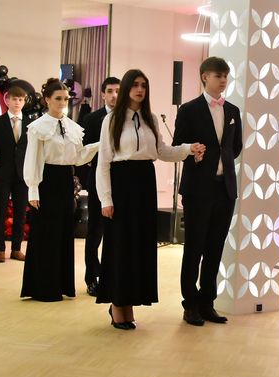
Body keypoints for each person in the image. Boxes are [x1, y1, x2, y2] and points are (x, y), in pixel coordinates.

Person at [96, 69, 205, 330]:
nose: (139, 90)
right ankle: (118, 304)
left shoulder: (151, 119)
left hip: (145, 183)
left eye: (143, 85)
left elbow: (162, 152)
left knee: (139, 246)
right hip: (121, 184)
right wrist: (106, 199)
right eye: (135, 85)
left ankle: (129, 303)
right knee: (121, 245)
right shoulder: (112, 119)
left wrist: (188, 149)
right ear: (126, 88)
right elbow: (104, 162)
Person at [172, 56, 243, 326]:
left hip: (225, 189)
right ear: (204, 77)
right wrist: (195, 153)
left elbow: (235, 147)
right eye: (218, 75)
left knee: (215, 248)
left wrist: (221, 162)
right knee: (194, 247)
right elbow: (179, 145)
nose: (223, 80)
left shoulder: (232, 110)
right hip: (197, 189)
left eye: (225, 75)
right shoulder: (189, 110)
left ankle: (207, 302)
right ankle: (190, 304)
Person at [21, 78, 99, 302]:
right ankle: (43, 287)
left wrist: (99, 145)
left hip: (65, 182)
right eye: (58, 98)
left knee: (64, 232)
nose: (63, 102)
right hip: (46, 182)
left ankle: (62, 284)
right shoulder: (38, 127)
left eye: (65, 99)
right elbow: (33, 159)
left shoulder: (72, 126)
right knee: (46, 233)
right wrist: (33, 189)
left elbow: (78, 157)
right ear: (47, 99)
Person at [82, 76, 120, 296]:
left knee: (116, 233)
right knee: (95, 231)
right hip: (98, 179)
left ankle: (112, 276)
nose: (114, 95)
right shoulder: (92, 119)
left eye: (118, 91)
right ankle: (92, 277)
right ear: (103, 94)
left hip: (121, 182)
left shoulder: (128, 117)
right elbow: (85, 150)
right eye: (110, 91)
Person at [0, 86, 32, 263]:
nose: (17, 102)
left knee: (21, 213)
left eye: (21, 99)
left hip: (22, 175)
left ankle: (16, 249)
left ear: (24, 102)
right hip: (2, 174)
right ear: (7, 100)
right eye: (14, 99)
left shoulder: (31, 123)